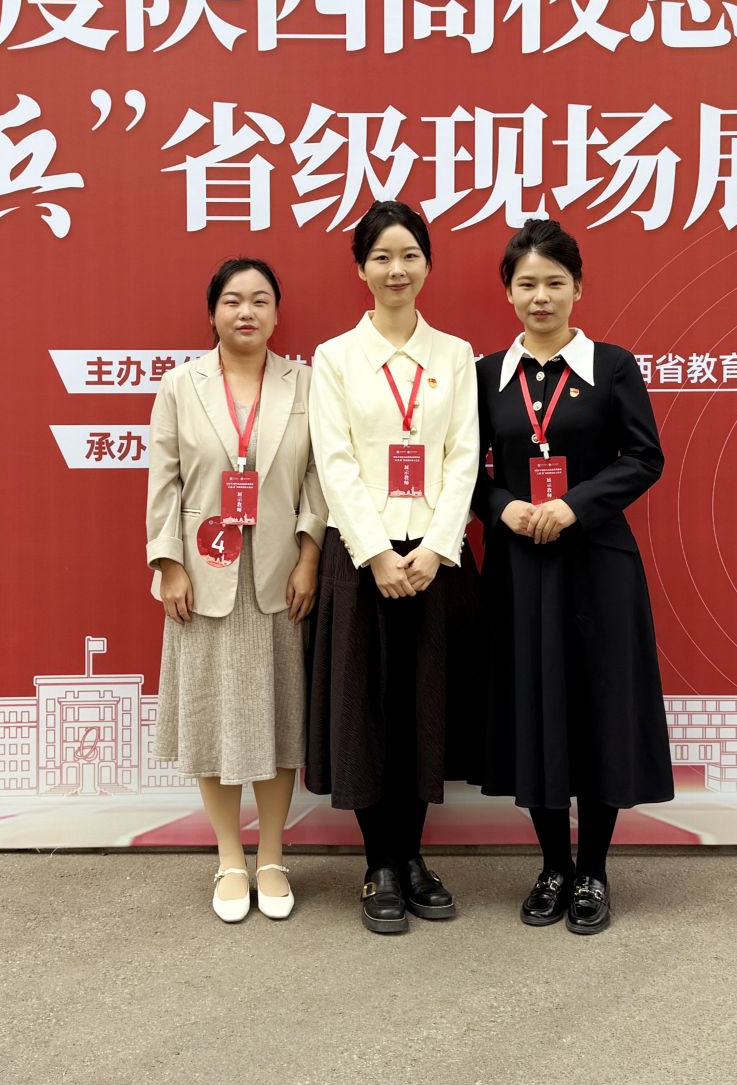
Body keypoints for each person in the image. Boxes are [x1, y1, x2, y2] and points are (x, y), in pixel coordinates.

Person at [467, 220, 672, 934]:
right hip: (519, 566)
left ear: (578, 288)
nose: (541, 296)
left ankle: (594, 871)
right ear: (508, 292)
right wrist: (504, 506)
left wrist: (573, 505)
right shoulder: (486, 375)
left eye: (555, 282)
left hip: (597, 565)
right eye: (527, 283)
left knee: (597, 709)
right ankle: (552, 864)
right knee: (536, 710)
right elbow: (463, 471)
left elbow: (644, 458)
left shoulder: (612, 366)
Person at [304, 201, 481, 935]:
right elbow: (334, 459)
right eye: (381, 257)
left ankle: (413, 858)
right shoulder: (335, 358)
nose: (396, 269)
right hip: (361, 558)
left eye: (409, 255)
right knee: (368, 712)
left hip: (435, 558)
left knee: (423, 710)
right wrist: (376, 552)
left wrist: (436, 548)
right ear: (361, 269)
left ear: (427, 265)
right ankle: (378, 863)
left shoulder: (456, 355)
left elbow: (464, 455)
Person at [145, 258, 326, 923]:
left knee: (278, 717)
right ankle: (228, 856)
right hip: (202, 575)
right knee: (213, 719)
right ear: (212, 312)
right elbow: (164, 480)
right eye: (232, 300)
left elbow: (318, 477)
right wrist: (168, 563)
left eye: (259, 300)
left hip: (281, 576)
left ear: (277, 313)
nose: (245, 311)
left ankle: (271, 856)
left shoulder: (306, 382)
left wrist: (309, 554)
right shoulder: (179, 385)